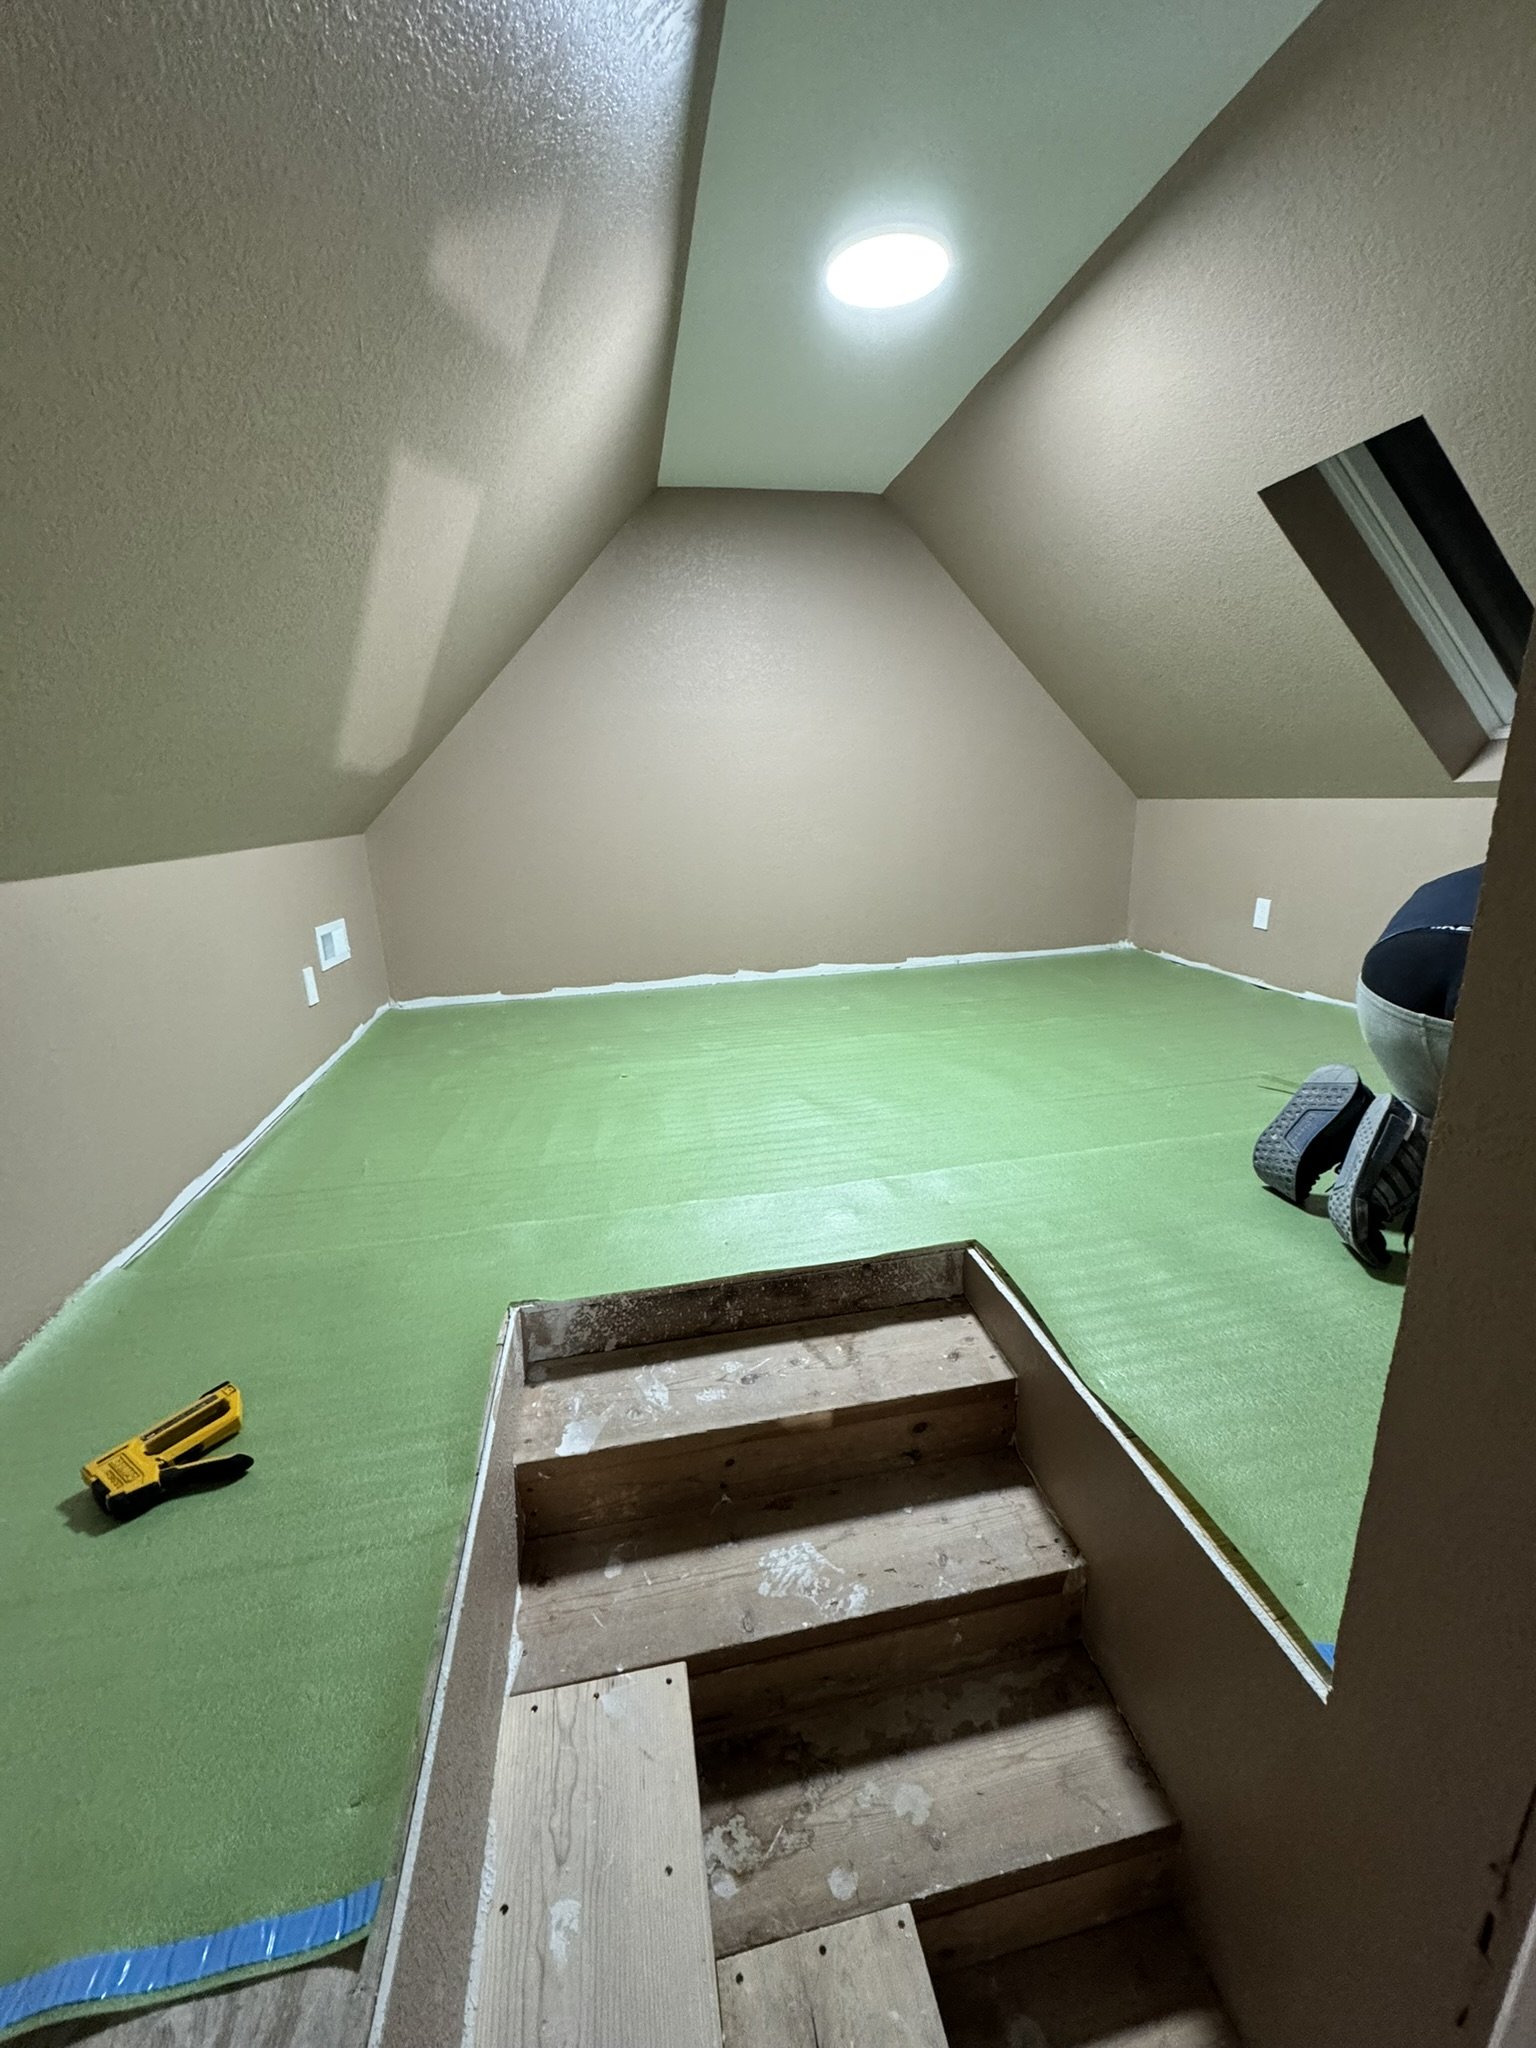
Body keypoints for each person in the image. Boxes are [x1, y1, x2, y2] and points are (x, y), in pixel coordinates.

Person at [1252, 864, 1483, 1268]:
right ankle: (1407, 1140)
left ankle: (1372, 1117)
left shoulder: (1475, 871)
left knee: (1434, 1093)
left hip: (1384, 1000)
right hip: (1470, 1022)